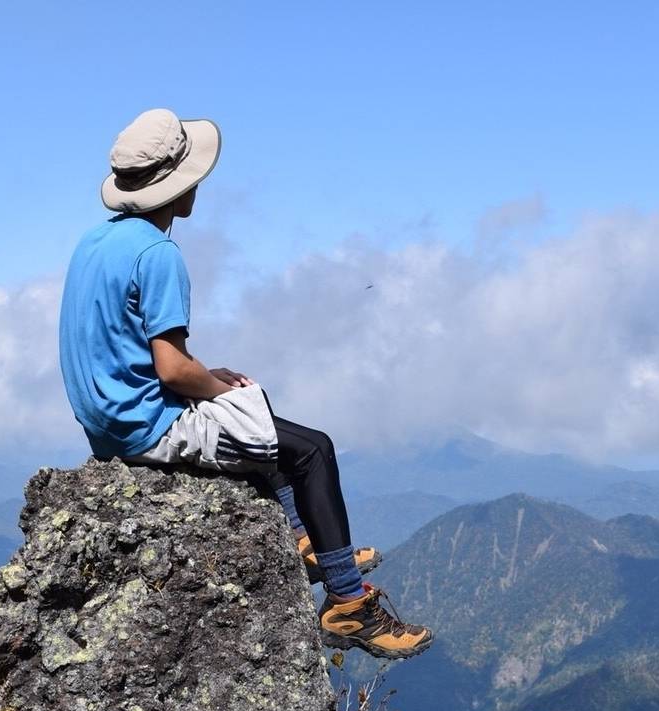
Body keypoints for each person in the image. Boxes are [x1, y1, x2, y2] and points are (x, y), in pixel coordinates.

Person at [58, 108, 432, 660]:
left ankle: (307, 540)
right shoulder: (158, 254)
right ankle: (348, 603)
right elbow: (172, 369)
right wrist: (213, 386)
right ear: (178, 185)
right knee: (313, 451)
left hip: (106, 418)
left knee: (252, 411)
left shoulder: (95, 243)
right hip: (144, 426)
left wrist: (215, 381)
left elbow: (127, 347)